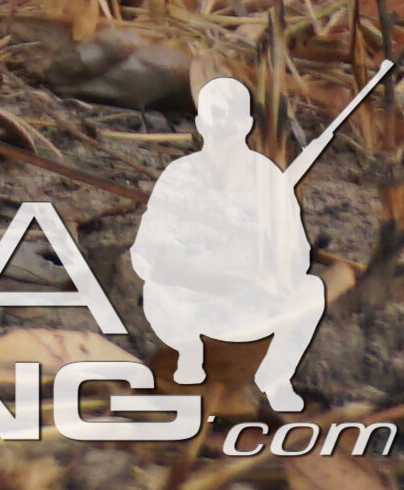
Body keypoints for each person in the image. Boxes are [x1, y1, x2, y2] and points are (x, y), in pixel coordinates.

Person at [128, 74, 330, 410]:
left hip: (250, 298)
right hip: (191, 296)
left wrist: (274, 266)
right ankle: (187, 366)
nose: (222, 127)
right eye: (214, 117)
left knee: (310, 290)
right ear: (200, 124)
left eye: (231, 117)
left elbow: (296, 252)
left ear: (247, 123)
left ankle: (274, 379)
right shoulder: (179, 175)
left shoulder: (268, 177)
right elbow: (146, 254)